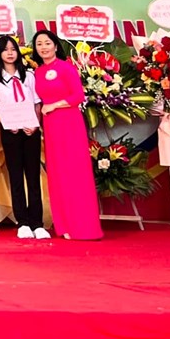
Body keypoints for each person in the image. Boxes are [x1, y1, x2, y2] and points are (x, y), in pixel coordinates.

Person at [32, 29, 102, 240]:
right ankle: (64, 225)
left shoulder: (66, 67)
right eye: (39, 44)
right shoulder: (37, 73)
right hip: (50, 126)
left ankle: (84, 225)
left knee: (76, 172)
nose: (43, 47)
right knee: (58, 173)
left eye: (47, 43)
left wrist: (54, 105)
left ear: (55, 45)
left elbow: (78, 95)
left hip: (70, 123)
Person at [0, 35, 49, 239]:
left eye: (13, 49)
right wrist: (4, 122)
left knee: (33, 176)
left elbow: (36, 103)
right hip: (10, 132)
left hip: (30, 131)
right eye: (5, 50)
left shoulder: (28, 75)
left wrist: (34, 123)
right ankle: (23, 222)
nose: (10, 53)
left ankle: (37, 223)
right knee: (16, 176)